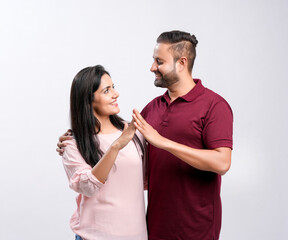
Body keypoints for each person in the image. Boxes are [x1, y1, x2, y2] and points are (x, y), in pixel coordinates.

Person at [58, 30, 233, 240]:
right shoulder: (151, 110)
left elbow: (222, 162)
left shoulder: (214, 106)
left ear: (181, 63)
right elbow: (136, 166)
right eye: (153, 60)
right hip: (154, 229)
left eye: (159, 61)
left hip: (196, 230)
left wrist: (164, 143)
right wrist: (76, 137)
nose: (152, 68)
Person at [61, 65, 147, 240]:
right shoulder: (73, 144)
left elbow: (147, 179)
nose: (116, 94)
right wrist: (116, 146)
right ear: (88, 100)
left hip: (136, 236)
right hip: (93, 236)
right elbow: (88, 187)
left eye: (113, 87)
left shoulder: (134, 132)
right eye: (107, 91)